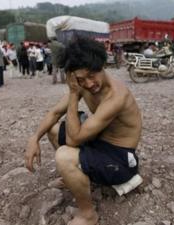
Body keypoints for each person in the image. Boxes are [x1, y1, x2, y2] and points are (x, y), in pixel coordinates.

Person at [24, 37, 142, 225]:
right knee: (53, 129)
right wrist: (34, 138)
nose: (88, 84)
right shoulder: (83, 83)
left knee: (64, 155)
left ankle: (88, 214)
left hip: (120, 159)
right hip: (100, 144)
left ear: (102, 66)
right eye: (80, 79)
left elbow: (74, 140)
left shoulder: (116, 96)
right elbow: (54, 112)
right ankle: (74, 178)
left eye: (92, 75)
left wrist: (73, 94)